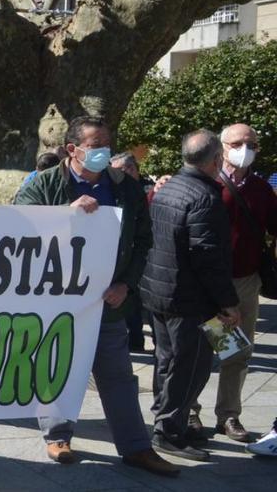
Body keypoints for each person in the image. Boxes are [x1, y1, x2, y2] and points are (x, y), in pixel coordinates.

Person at [15, 117, 178, 476]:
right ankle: (57, 436)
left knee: (118, 376)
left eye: (107, 142)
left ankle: (136, 447)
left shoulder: (126, 188)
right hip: (56, 302)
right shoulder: (45, 185)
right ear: (72, 149)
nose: (103, 149)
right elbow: (17, 231)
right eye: (94, 144)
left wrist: (127, 285)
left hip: (107, 302)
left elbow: (143, 241)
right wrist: (63, 217)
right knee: (58, 368)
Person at [141, 129, 240, 462]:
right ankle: (169, 432)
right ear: (216, 160)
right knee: (190, 368)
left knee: (168, 363)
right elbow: (207, 257)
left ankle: (167, 422)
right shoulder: (204, 197)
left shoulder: (169, 190)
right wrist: (228, 303)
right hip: (190, 301)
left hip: (161, 293)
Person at [194, 123, 274, 443]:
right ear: (222, 147)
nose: (246, 148)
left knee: (236, 352)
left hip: (244, 283)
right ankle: (189, 411)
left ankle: (228, 415)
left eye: (251, 143)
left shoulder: (261, 190)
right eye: (238, 142)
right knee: (199, 350)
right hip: (207, 284)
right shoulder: (206, 183)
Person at [106, 152, 153, 353]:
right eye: (116, 171)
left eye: (126, 169)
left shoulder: (151, 191)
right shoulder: (114, 193)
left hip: (146, 269)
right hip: (128, 273)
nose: (121, 175)